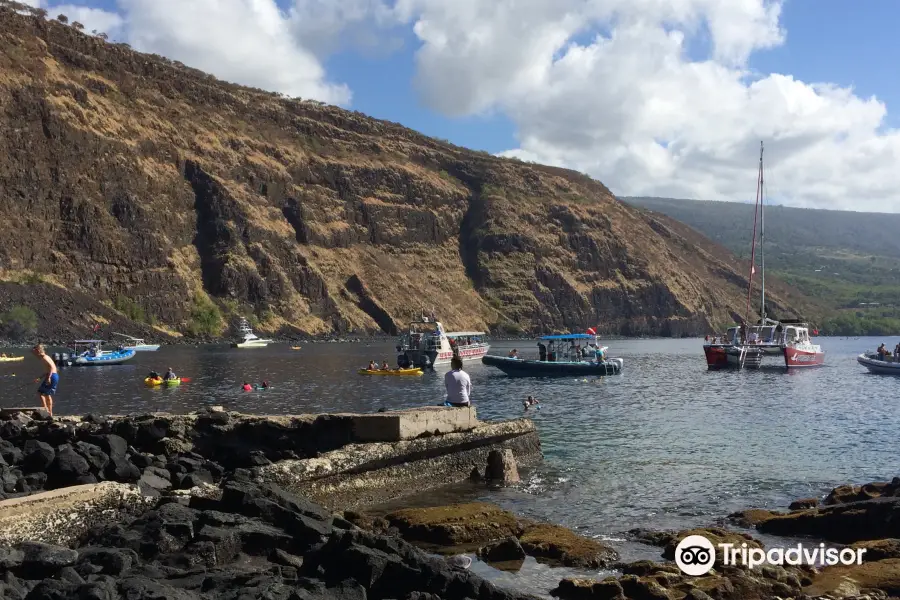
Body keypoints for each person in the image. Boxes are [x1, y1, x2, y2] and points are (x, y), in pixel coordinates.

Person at [32, 344, 57, 417]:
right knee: (47, 394)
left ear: (38, 351)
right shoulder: (46, 357)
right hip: (54, 376)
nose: (34, 354)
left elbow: (51, 368)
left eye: (35, 352)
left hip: (52, 376)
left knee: (40, 392)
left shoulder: (44, 357)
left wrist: (49, 377)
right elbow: (48, 370)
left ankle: (46, 410)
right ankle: (50, 413)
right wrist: (40, 378)